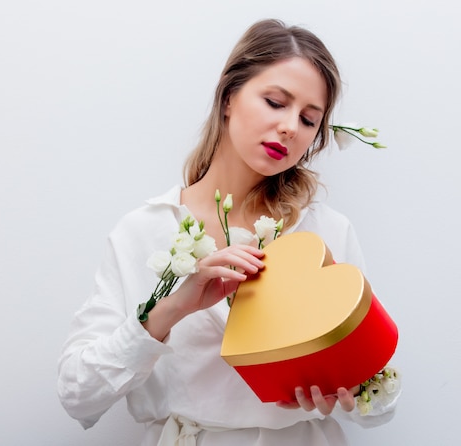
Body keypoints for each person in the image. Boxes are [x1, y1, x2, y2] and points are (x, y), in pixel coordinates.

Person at [57, 18, 400, 445]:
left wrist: (350, 394)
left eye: (309, 119)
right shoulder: (143, 232)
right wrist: (169, 310)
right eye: (276, 102)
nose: (291, 127)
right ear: (228, 96)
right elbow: (77, 395)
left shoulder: (324, 229)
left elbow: (382, 398)